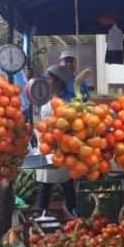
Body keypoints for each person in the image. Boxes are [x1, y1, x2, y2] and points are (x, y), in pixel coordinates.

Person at [35, 64, 79, 215]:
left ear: (58, 81)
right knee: (45, 185)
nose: (47, 81)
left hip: (61, 146)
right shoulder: (46, 96)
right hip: (47, 145)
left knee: (66, 183)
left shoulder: (66, 100)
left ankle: (73, 212)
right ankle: (41, 215)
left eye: (49, 79)